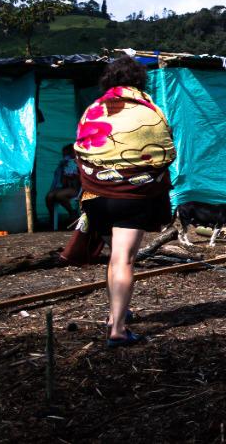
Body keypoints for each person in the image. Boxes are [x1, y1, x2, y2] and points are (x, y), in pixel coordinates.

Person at [75, 55, 176, 348]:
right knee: (124, 259)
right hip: (132, 197)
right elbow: (167, 153)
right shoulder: (150, 111)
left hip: (95, 196)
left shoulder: (93, 110)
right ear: (139, 81)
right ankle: (118, 329)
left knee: (113, 258)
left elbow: (81, 150)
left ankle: (114, 314)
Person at [46, 143, 81, 230]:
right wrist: (63, 171)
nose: (66, 156)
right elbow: (62, 182)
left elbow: (82, 181)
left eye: (68, 154)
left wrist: (76, 175)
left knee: (59, 195)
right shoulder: (63, 165)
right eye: (65, 154)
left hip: (78, 189)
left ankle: (73, 214)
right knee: (49, 196)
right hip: (66, 187)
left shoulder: (80, 163)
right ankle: (52, 217)